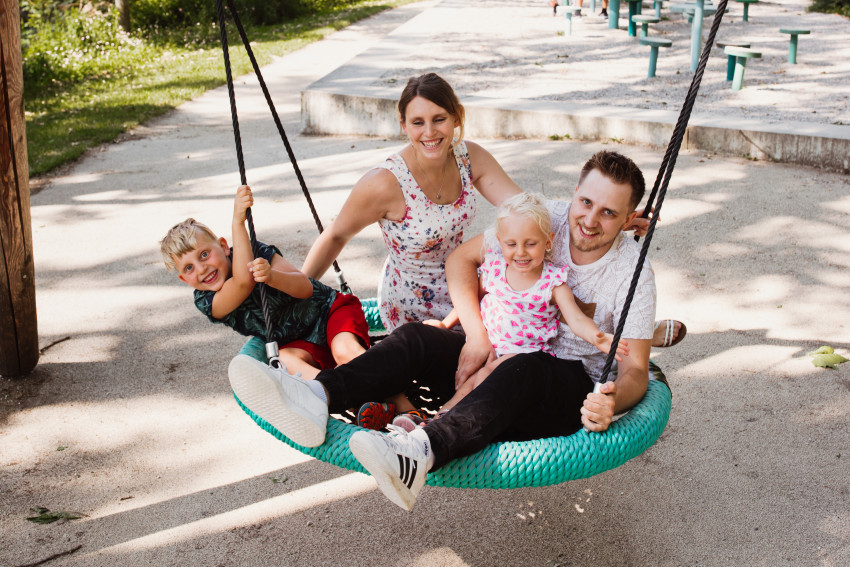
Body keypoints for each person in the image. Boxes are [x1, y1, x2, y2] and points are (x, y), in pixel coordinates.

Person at [228, 150, 657, 510]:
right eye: (585, 202)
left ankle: (418, 452)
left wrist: (613, 399)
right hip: (497, 345)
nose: (589, 220)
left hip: (558, 382)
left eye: (608, 213)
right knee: (417, 337)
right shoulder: (548, 221)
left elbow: (636, 369)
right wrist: (476, 335)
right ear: (575, 194)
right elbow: (461, 261)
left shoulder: (632, 273)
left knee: (524, 368)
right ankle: (316, 395)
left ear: (629, 218)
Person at [299, 72, 682, 428]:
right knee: (422, 340)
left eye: (440, 119)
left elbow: (524, 213)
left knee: (521, 318)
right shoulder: (384, 183)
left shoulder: (469, 159)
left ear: (456, 118)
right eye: (418, 122)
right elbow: (335, 235)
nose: (430, 132)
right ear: (403, 125)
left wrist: (605, 218)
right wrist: (297, 288)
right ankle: (317, 394)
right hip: (434, 303)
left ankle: (637, 329)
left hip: (482, 299)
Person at [160, 187, 370, 440]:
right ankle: (356, 403)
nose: (202, 268)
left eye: (205, 254)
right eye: (190, 267)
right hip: (297, 344)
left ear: (224, 246)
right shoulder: (208, 300)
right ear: (184, 279)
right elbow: (242, 283)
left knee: (346, 351)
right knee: (289, 362)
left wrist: (272, 277)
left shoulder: (256, 251)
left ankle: (403, 410)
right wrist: (238, 222)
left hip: (330, 312)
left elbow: (304, 288)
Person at [410, 192, 629, 427]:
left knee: (483, 378)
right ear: (500, 242)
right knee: (467, 381)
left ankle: (438, 426)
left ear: (547, 242)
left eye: (531, 243)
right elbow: (476, 296)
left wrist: (596, 337)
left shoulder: (552, 283)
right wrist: (446, 324)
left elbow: (576, 318)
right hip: (491, 345)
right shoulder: (495, 269)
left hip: (525, 354)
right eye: (512, 244)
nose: (521, 252)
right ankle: (433, 420)